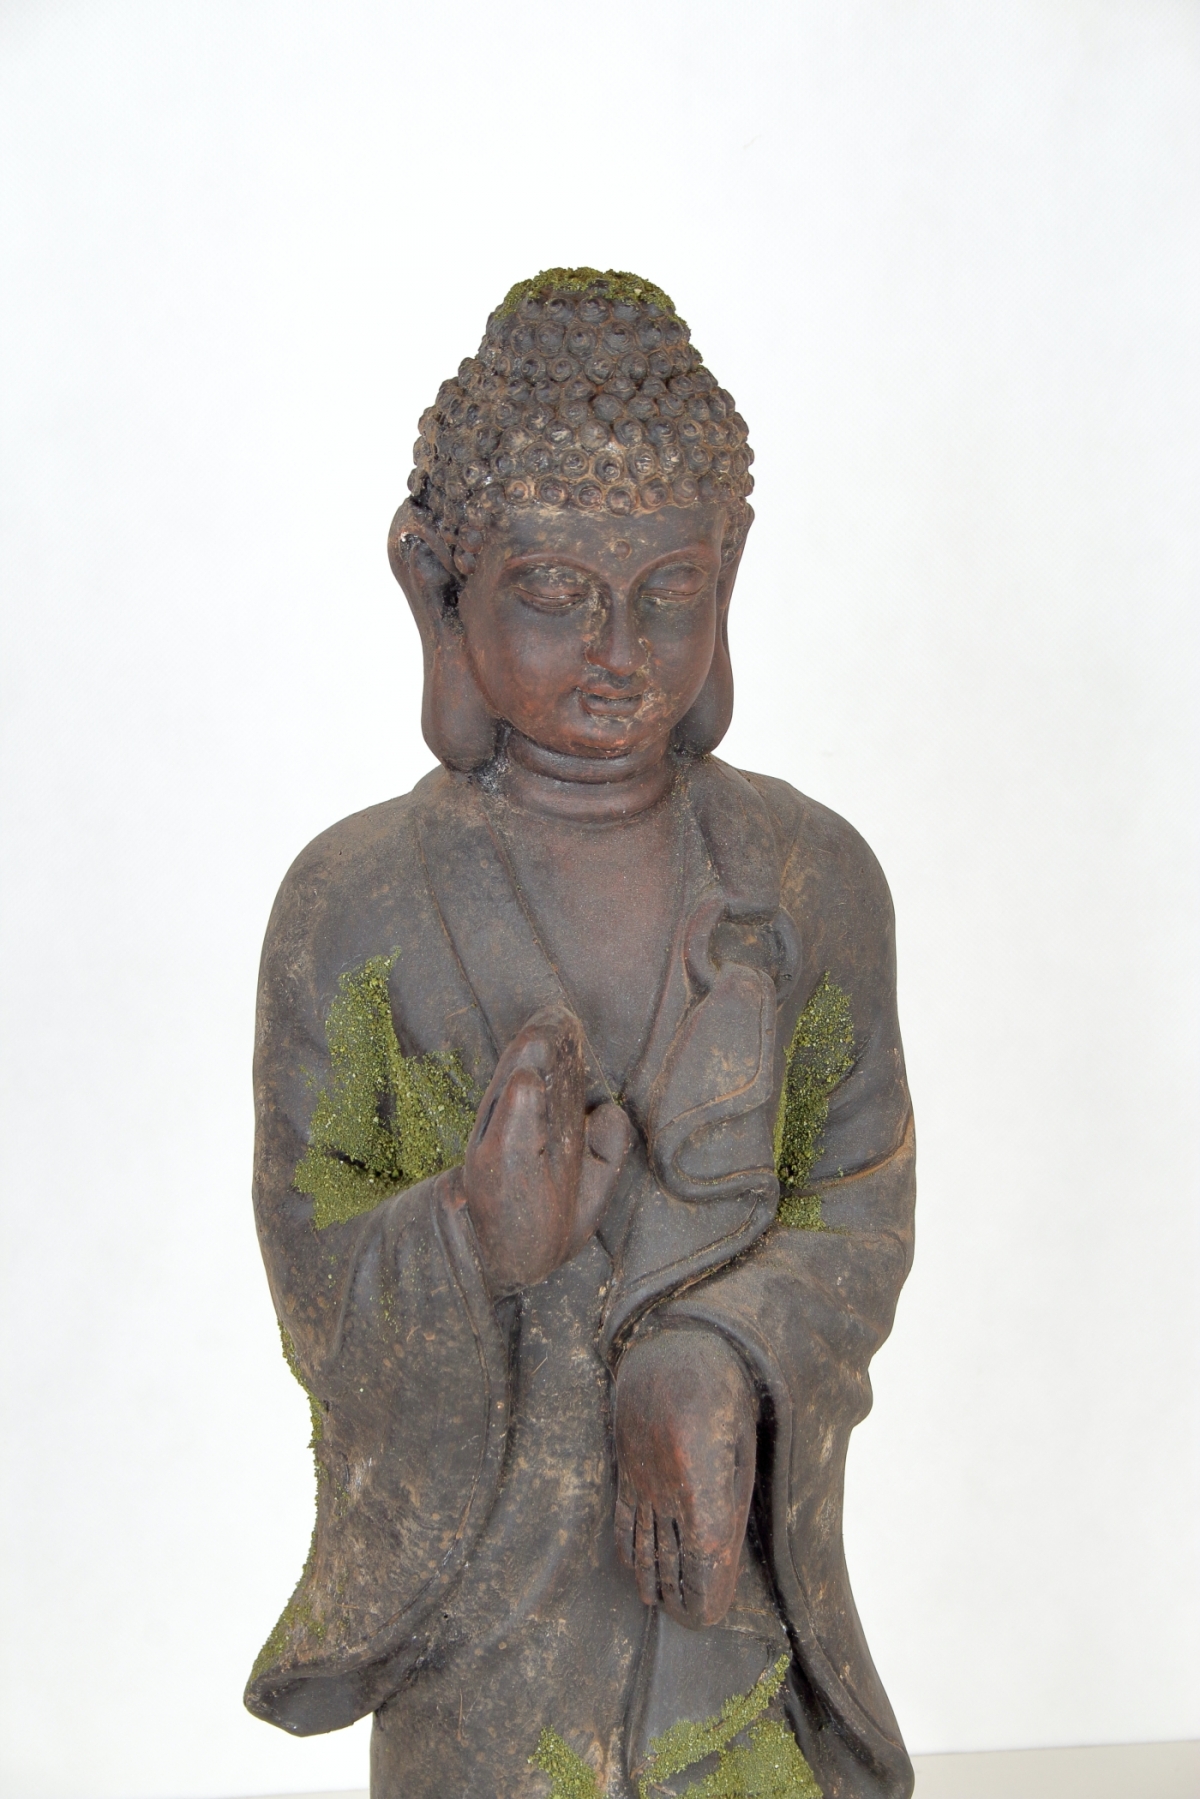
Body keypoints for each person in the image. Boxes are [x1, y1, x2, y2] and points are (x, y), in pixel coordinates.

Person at [244, 270, 916, 1799]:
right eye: (553, 591)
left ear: (730, 572)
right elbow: (311, 1260)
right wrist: (470, 1237)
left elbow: (863, 1199)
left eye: (670, 590)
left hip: (731, 1646)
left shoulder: (810, 880)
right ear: (438, 588)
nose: (618, 649)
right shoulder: (354, 908)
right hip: (482, 1666)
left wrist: (719, 1353)